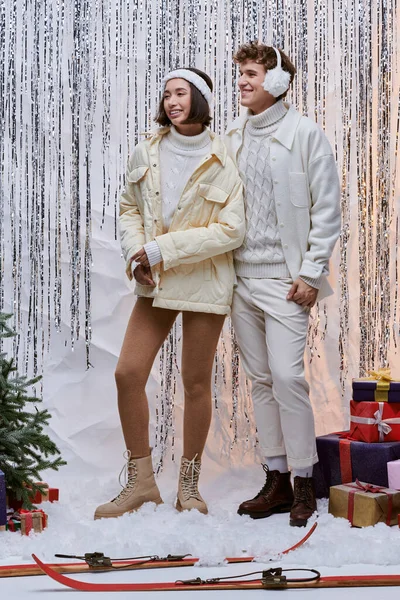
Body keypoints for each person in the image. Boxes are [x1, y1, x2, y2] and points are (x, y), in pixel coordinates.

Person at [94, 67, 244, 519]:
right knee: (127, 373)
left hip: (205, 279)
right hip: (155, 281)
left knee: (196, 383)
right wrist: (136, 255)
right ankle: (141, 483)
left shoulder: (227, 155)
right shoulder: (147, 149)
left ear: (199, 98)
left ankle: (189, 486)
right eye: (166, 95)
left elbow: (232, 230)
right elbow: (127, 208)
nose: (171, 102)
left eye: (180, 93)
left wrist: (163, 249)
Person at [224, 42, 341, 527]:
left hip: (286, 281)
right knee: (261, 382)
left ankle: (304, 483)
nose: (243, 82)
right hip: (239, 279)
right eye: (241, 75)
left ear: (276, 82)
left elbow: (327, 208)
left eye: (252, 74)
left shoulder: (305, 134)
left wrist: (312, 273)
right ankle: (274, 478)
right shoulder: (232, 135)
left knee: (289, 378)